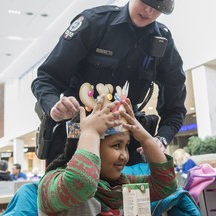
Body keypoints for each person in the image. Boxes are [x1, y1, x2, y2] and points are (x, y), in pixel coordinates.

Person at [31, 0, 187, 166]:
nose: (149, 11)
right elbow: (46, 78)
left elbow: (175, 107)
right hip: (75, 137)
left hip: (125, 144)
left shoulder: (162, 41)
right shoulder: (94, 22)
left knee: (136, 191)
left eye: (158, 8)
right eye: (145, 2)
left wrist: (161, 138)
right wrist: (54, 106)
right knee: (66, 189)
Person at [37, 95, 177, 215]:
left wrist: (146, 139)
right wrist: (90, 132)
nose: (124, 156)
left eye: (126, 146)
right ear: (87, 143)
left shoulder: (121, 184)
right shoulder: (51, 183)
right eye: (116, 145)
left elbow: (165, 185)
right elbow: (82, 184)